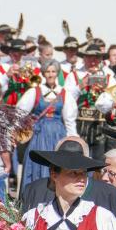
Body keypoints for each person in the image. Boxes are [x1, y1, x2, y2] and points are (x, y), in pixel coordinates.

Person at [17, 59, 78, 191]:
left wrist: (72, 140)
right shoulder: (35, 92)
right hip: (39, 135)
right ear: (43, 74)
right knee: (37, 165)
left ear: (57, 74)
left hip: (58, 135)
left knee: (55, 165)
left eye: (53, 71)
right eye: (48, 72)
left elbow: (69, 120)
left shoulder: (64, 93)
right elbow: (19, 113)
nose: (50, 74)